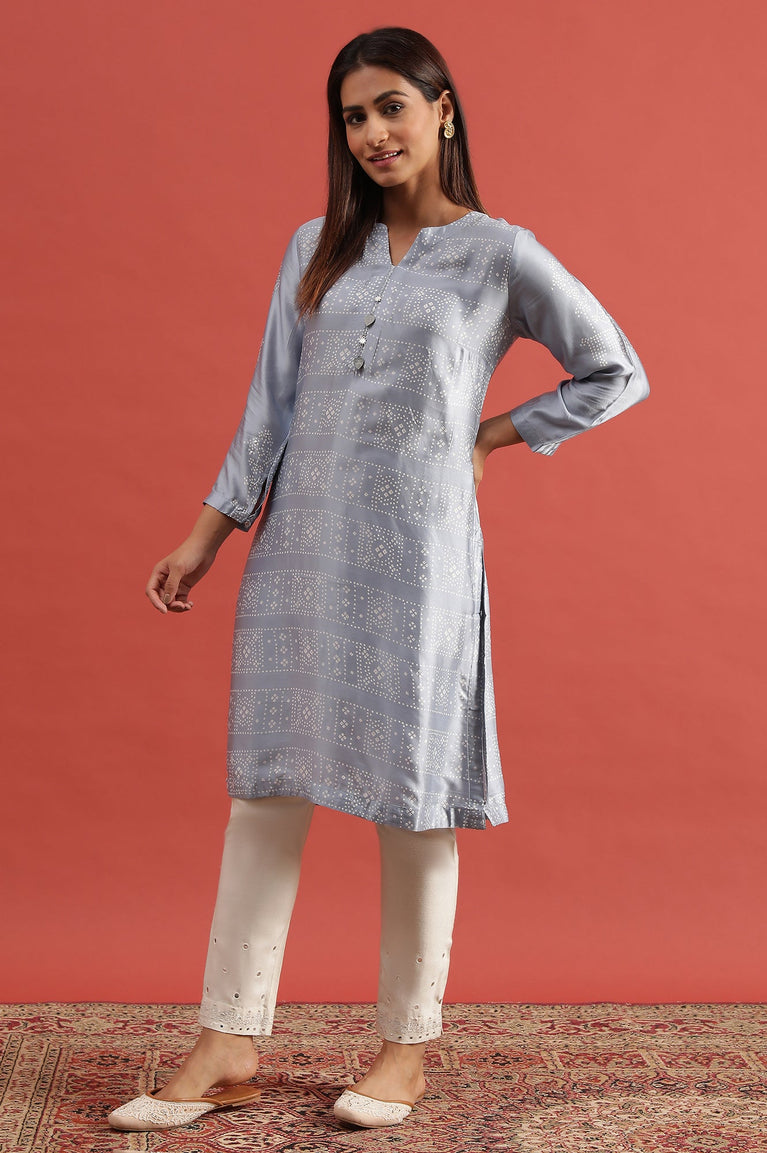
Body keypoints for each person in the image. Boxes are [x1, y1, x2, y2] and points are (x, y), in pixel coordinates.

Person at [108, 25, 649, 1134]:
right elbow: (269, 407)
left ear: (442, 110)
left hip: (418, 561)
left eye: (391, 106)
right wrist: (206, 536)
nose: (372, 133)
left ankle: (404, 1048)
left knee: (413, 794)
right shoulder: (315, 246)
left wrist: (493, 433)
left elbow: (613, 369)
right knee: (266, 787)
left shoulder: (499, 255)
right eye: (352, 116)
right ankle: (227, 1041)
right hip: (300, 550)